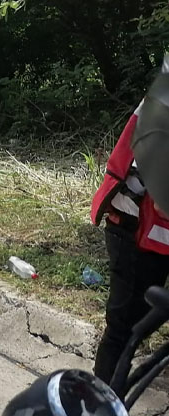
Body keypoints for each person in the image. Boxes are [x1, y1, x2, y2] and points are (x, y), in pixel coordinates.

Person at [91, 66, 169, 383]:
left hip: (151, 236)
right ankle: (101, 399)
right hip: (134, 233)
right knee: (125, 330)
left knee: (135, 326)